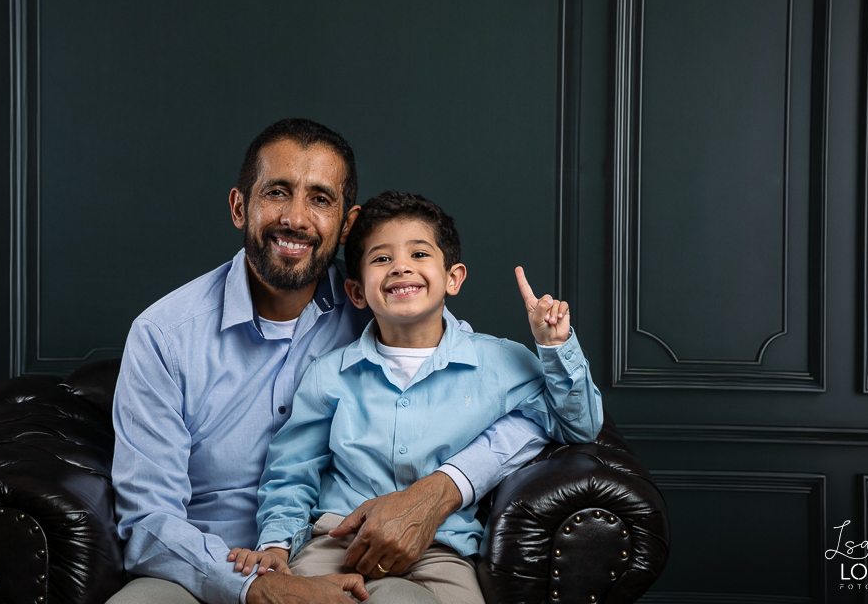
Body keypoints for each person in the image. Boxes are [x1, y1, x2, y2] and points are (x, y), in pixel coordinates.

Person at [109, 119, 557, 604]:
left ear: (346, 224)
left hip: (343, 560)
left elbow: (515, 396)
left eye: (320, 199)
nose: (296, 219)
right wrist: (257, 587)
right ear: (240, 207)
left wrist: (444, 487)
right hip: (201, 571)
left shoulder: (385, 302)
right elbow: (148, 522)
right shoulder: (163, 336)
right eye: (277, 192)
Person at [226, 192, 603, 603]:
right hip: (335, 541)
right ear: (357, 291)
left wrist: (555, 346)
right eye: (381, 259)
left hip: (441, 550)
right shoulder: (329, 374)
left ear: (453, 278)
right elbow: (292, 470)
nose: (401, 266)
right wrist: (277, 545)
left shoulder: (501, 362)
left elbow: (578, 424)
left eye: (419, 254)